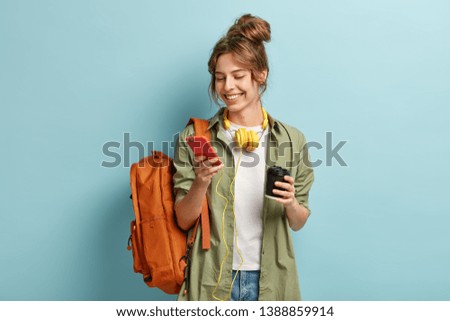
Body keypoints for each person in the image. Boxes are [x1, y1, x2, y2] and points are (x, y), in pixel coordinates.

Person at [173, 14, 314, 301]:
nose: (227, 87)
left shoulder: (291, 140)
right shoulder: (195, 137)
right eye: (220, 77)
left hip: (271, 279)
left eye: (238, 76)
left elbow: (298, 222)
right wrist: (200, 182)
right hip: (211, 277)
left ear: (260, 74)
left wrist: (290, 203)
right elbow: (183, 220)